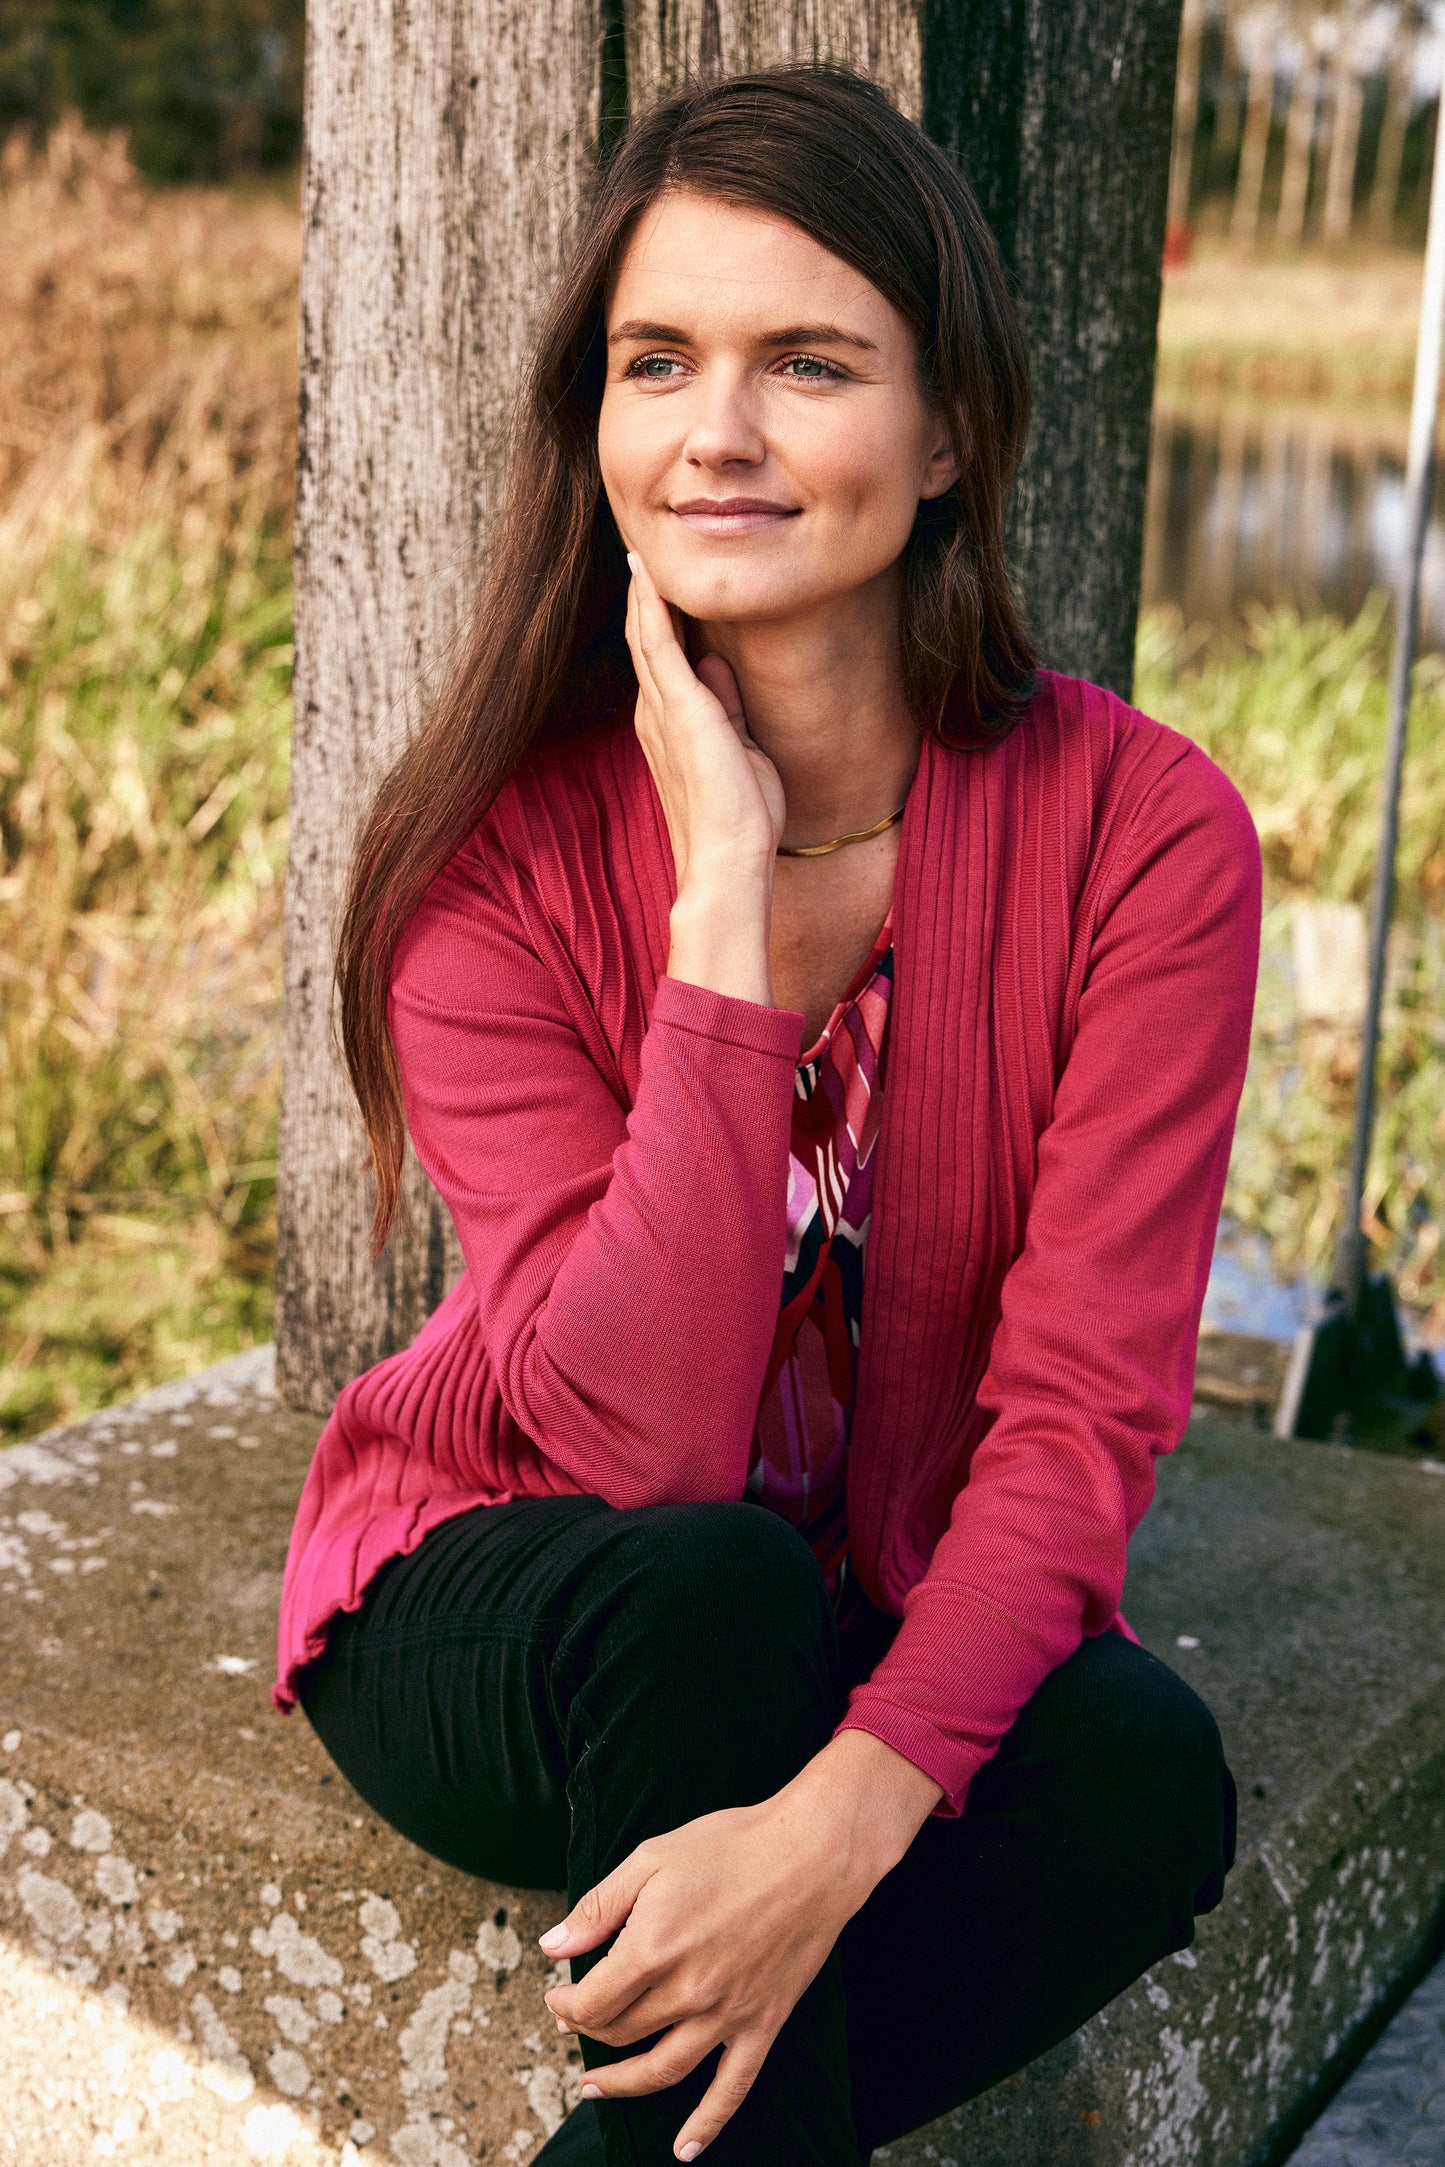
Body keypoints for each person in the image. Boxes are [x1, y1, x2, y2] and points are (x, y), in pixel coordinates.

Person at [273, 65, 1260, 2167]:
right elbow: (636, 1445)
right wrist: (720, 903)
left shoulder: (1142, 838)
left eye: (807, 361)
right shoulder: (487, 866)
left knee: (1146, 1774)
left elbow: (1076, 1421)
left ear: (951, 430)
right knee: (710, 1582)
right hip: (514, 1591)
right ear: (598, 422)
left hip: (853, 1621)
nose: (714, 431)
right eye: (659, 363)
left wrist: (835, 1823)